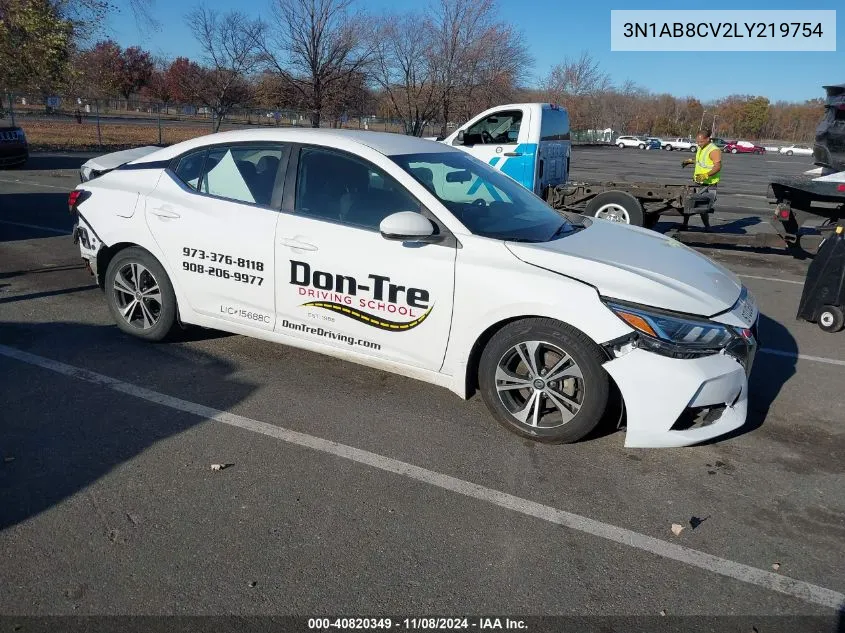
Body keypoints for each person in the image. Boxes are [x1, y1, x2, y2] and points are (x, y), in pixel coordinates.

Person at [680, 130, 722, 231]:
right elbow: (702, 162)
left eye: (701, 142)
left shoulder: (714, 150)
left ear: (708, 139)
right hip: (698, 182)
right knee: (689, 203)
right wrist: (691, 161)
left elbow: (717, 167)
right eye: (697, 142)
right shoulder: (701, 147)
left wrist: (705, 175)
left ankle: (707, 227)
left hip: (709, 184)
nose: (698, 144)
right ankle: (684, 225)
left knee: (703, 207)